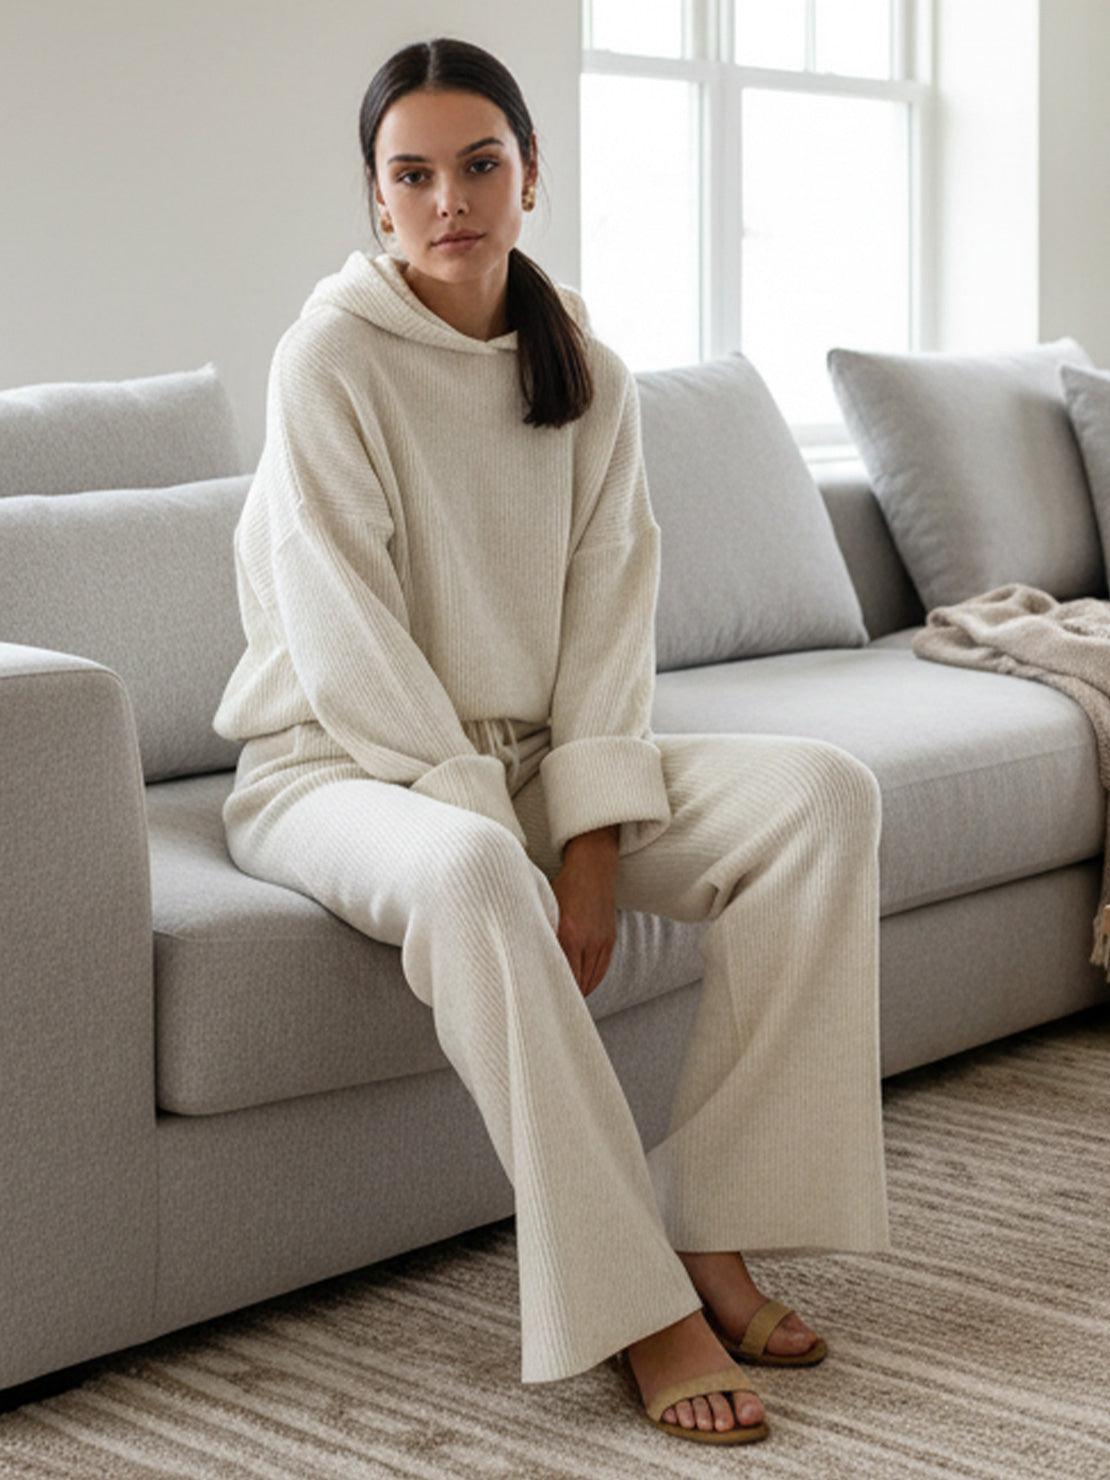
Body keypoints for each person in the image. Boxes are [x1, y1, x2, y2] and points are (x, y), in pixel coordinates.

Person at [212, 35, 893, 1446]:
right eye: (412, 174)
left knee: (822, 796)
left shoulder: (585, 368)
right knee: (467, 873)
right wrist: (499, 831)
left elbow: (605, 629)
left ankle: (720, 1227)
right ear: (375, 200)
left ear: (533, 180)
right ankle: (632, 1305)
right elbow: (347, 640)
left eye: (479, 164)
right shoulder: (326, 358)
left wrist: (585, 842)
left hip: (525, 766)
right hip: (335, 766)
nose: (447, 198)